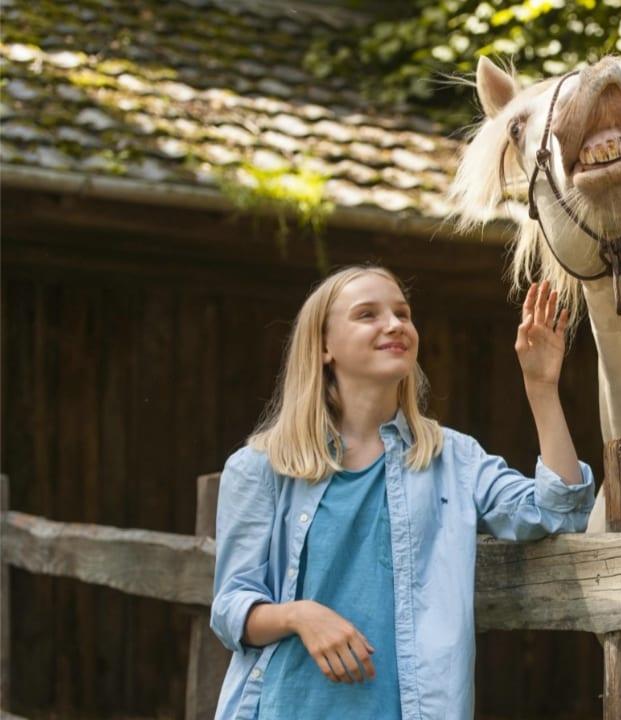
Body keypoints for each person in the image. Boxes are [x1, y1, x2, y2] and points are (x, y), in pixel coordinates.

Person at [209, 267, 594, 720]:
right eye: (367, 314)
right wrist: (300, 615)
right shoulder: (261, 467)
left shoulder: (454, 459)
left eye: (403, 314)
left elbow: (558, 510)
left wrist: (542, 388)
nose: (394, 324)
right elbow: (232, 608)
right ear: (324, 347)